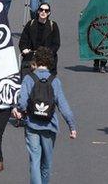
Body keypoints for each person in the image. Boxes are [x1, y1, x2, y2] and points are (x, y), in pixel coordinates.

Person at [13, 47, 78, 184]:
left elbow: (23, 102)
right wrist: (72, 126)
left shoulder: (28, 79)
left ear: (36, 61)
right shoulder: (55, 81)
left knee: (34, 160)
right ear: (49, 62)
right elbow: (63, 106)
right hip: (49, 125)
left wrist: (19, 111)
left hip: (32, 124)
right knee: (46, 163)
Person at [19, 3, 61, 75]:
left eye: (46, 10)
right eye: (41, 10)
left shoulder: (53, 25)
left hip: (46, 58)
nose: (43, 12)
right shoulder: (30, 24)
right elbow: (23, 40)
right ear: (38, 11)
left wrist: (47, 54)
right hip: (31, 57)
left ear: (49, 13)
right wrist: (24, 49)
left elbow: (56, 44)